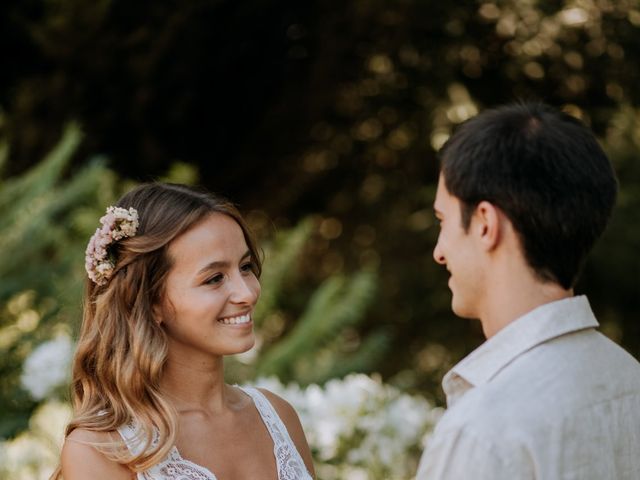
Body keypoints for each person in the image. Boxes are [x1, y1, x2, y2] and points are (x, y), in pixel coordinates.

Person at [416, 103, 640, 479]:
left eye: (443, 220)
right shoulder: (630, 381)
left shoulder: (482, 429)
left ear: (485, 223)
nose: (439, 251)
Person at [55, 183, 315, 479]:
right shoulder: (101, 449)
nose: (247, 293)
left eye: (245, 267)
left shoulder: (279, 416)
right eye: (214, 278)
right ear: (151, 301)